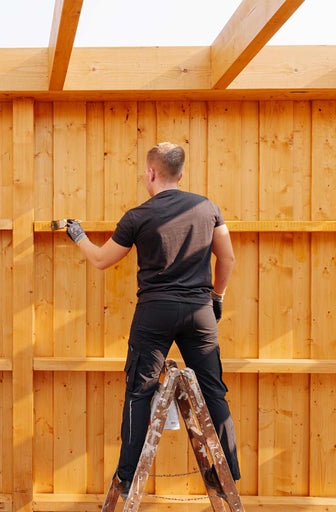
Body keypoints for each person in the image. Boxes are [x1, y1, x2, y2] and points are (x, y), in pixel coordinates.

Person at [64, 142, 241, 495]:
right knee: (213, 391)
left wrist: (79, 235)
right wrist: (216, 298)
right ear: (181, 173)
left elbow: (100, 260)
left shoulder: (138, 216)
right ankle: (226, 474)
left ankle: (127, 477)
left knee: (139, 392)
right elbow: (228, 259)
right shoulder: (209, 209)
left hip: (154, 312)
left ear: (150, 173)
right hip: (199, 312)